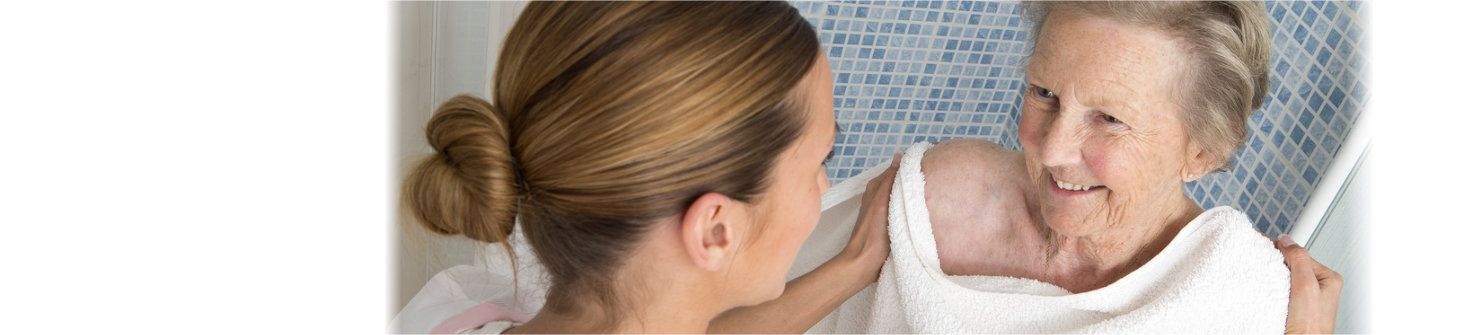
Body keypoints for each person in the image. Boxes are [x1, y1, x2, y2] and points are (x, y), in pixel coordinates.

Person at [803, 1, 1346, 332]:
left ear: (1204, 150)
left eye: (1109, 118)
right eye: (1043, 92)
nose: (1053, 148)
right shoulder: (936, 200)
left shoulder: (1245, 302)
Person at [393, 2, 892, 333]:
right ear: (716, 230)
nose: (825, 185)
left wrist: (855, 265)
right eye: (821, 160)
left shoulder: (458, 316)